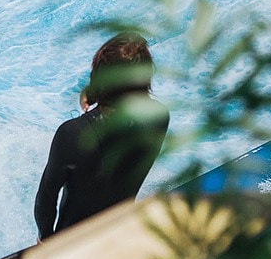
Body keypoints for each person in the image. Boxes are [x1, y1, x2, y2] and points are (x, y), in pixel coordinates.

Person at [34, 32, 170, 241]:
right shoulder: (159, 118)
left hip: (72, 244)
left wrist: (45, 240)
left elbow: (46, 199)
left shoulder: (72, 134)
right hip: (119, 233)